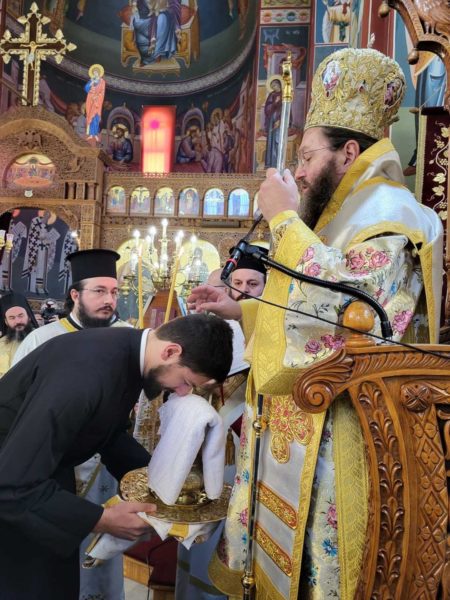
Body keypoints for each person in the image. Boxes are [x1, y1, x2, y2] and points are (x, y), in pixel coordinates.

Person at [188, 48, 443, 598]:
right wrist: (242, 309)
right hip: (303, 420)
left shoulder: (393, 217)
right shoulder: (337, 217)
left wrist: (282, 217)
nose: (299, 172)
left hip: (345, 431)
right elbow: (309, 309)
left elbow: (359, 312)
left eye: (306, 156)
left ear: (349, 152)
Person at [0, 312, 233, 600]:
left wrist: (162, 483)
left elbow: (108, 434)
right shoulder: (84, 377)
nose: (183, 393)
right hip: (16, 494)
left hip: (38, 476)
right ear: (171, 351)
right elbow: (12, 484)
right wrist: (101, 519)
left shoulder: (126, 354)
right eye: (186, 381)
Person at [13, 248, 134, 600]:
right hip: (49, 470)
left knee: (102, 552)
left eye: (114, 292)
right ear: (76, 295)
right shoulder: (41, 339)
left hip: (105, 469)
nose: (109, 300)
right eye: (99, 291)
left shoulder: (128, 337)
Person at [0, 292, 37, 377]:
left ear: (29, 317)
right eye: (12, 318)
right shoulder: (1, 344)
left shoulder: (43, 338)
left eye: (21, 316)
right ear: (6, 322)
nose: (17, 321)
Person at [85, 64, 106, 141]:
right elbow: (86, 88)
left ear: (99, 73)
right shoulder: (91, 80)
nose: (95, 73)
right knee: (90, 116)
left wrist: (97, 97)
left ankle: (95, 134)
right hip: (90, 100)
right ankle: (91, 134)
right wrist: (91, 83)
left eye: (96, 72)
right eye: (94, 72)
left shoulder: (102, 81)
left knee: (96, 118)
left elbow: (102, 92)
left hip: (97, 102)